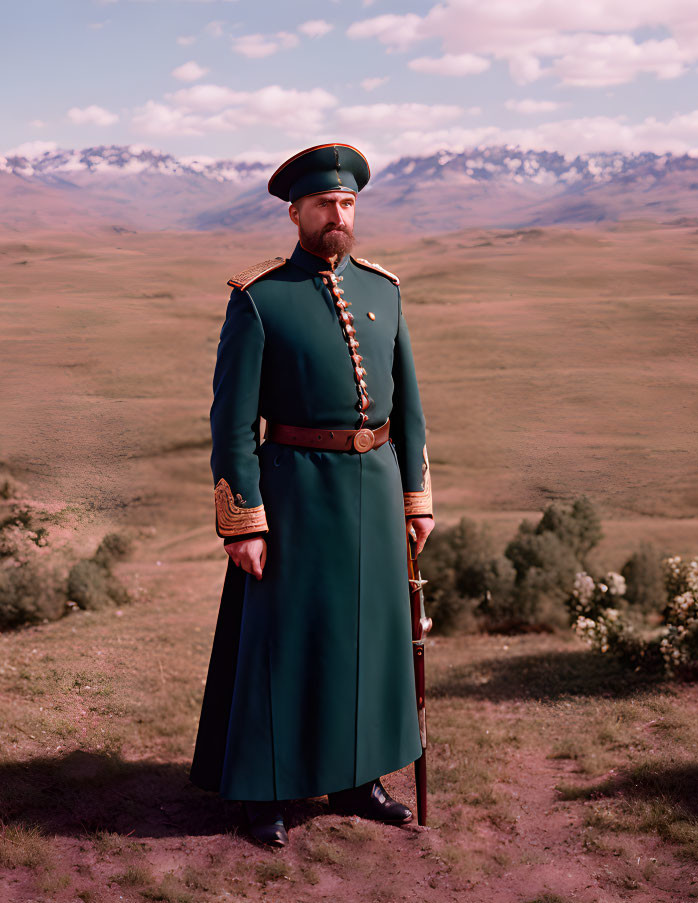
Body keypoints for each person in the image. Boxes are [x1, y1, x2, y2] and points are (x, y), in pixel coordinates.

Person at [189, 143, 435, 848]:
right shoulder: (258, 298)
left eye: (348, 202)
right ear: (295, 212)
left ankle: (359, 778)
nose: (338, 213)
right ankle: (264, 789)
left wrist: (415, 498)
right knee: (283, 643)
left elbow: (410, 406)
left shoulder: (384, 291)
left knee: (368, 642)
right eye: (325, 203)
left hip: (378, 488)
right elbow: (232, 422)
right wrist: (243, 522)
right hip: (293, 494)